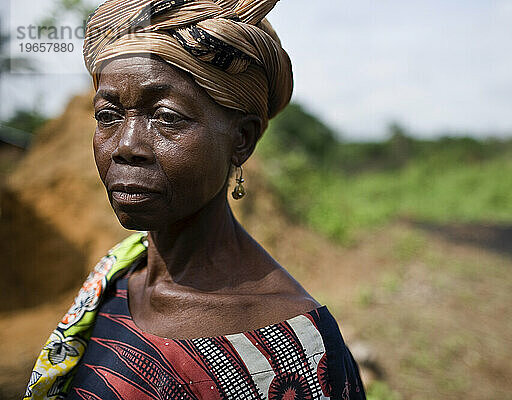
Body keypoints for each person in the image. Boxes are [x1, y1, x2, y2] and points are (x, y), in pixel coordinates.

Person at [24, 0, 365, 399]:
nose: (127, 145)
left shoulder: (296, 351)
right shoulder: (117, 275)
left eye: (167, 117)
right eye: (108, 115)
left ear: (242, 140)